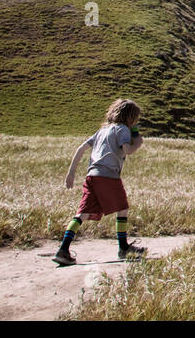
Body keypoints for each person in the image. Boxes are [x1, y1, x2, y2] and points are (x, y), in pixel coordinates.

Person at [54, 98, 146, 266]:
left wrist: (71, 173)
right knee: (123, 208)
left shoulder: (102, 131)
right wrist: (138, 142)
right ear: (130, 118)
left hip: (91, 176)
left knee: (83, 212)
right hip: (108, 176)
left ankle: (63, 249)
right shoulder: (122, 130)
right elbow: (128, 150)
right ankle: (123, 248)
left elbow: (80, 149)